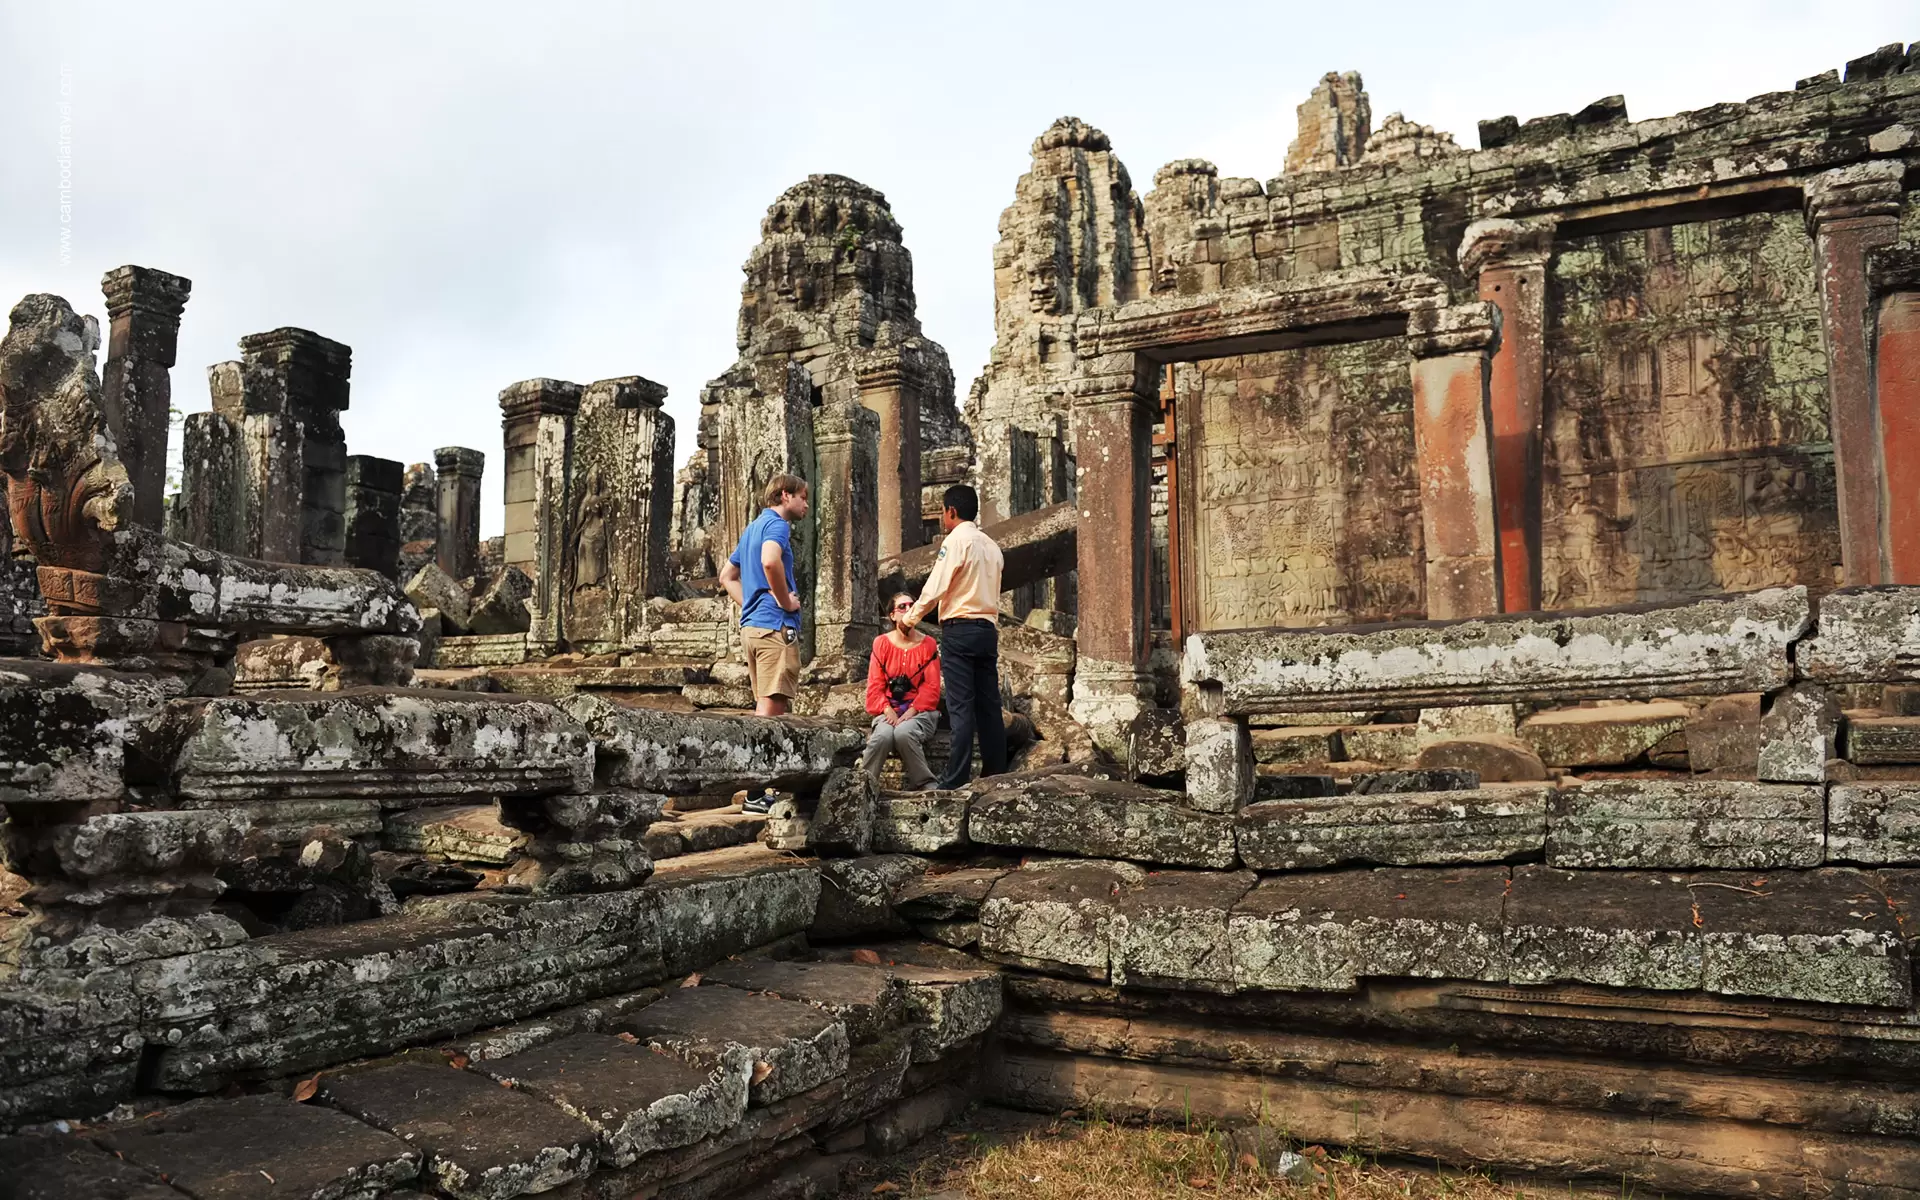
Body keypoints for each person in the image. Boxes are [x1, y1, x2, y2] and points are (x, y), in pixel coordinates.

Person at [900, 484, 1006, 789]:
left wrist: (910, 618)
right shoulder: (992, 547)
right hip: (987, 629)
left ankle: (955, 778)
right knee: (989, 705)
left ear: (951, 512)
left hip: (960, 628)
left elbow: (936, 587)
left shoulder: (956, 541)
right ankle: (995, 772)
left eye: (943, 512)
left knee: (961, 707)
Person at [719, 474, 809, 734]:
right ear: (785, 495)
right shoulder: (778, 525)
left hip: (752, 629)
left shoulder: (752, 528)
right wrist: (785, 602)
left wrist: (753, 603)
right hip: (774, 627)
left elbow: (727, 576)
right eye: (802, 498)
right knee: (768, 722)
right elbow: (770, 561)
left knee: (764, 707)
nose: (805, 505)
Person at [861, 592, 943, 789]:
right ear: (892, 615)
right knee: (882, 736)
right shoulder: (881, 643)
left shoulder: (929, 644)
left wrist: (911, 711)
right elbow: (874, 686)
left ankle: (926, 783)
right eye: (902, 607)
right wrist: (888, 711)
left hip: (920, 711)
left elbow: (932, 688)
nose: (908, 610)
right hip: (889, 710)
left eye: (911, 606)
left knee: (904, 733)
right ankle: (863, 783)